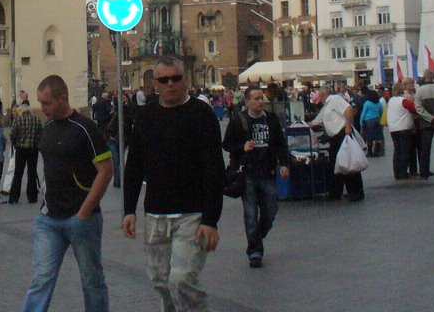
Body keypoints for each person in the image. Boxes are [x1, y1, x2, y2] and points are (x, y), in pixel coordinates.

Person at [123, 57, 225, 311]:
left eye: (176, 78)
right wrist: (128, 209)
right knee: (160, 282)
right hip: (156, 214)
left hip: (191, 214)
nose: (171, 84)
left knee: (181, 279)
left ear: (185, 79)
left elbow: (214, 169)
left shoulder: (202, 115)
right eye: (164, 80)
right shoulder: (145, 116)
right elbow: (134, 165)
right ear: (155, 84)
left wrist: (211, 220)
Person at [21, 74, 112, 312]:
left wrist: (84, 212)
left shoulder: (86, 128)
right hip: (49, 219)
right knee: (41, 279)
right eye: (40, 103)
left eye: (47, 103)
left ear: (63, 98)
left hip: (81, 219)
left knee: (92, 281)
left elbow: (105, 171)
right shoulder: (47, 128)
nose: (43, 108)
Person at [221, 87, 289, 268]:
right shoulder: (238, 120)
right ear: (247, 101)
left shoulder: (271, 119)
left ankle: (256, 238)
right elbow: (226, 144)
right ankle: (255, 252)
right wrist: (242, 147)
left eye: (262, 98)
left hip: (267, 172)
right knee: (250, 214)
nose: (261, 102)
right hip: (248, 173)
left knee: (270, 211)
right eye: (257, 99)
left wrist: (284, 163)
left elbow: (281, 144)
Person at [308, 84, 364, 202]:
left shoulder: (334, 99)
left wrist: (348, 126)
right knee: (336, 164)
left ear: (323, 94)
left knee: (348, 163)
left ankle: (355, 192)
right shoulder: (326, 106)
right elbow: (316, 121)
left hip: (343, 133)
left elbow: (348, 109)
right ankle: (336, 192)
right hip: (335, 138)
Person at [9, 104, 42, 205]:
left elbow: (12, 134)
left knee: (18, 173)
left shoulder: (18, 120)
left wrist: (15, 143)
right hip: (33, 149)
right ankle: (32, 197)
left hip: (21, 148)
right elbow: (40, 133)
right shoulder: (36, 120)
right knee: (32, 173)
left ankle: (14, 197)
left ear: (21, 111)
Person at [387, 79, 419, 180]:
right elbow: (414, 109)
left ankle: (397, 173)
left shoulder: (391, 100)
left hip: (393, 128)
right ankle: (403, 173)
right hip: (404, 128)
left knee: (397, 151)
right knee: (405, 151)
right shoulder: (403, 100)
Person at [359, 89, 384, 157]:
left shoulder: (367, 103)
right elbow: (381, 112)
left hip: (368, 121)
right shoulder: (379, 103)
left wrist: (361, 123)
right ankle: (377, 152)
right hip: (377, 120)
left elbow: (363, 114)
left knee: (369, 138)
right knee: (378, 138)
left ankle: (369, 152)